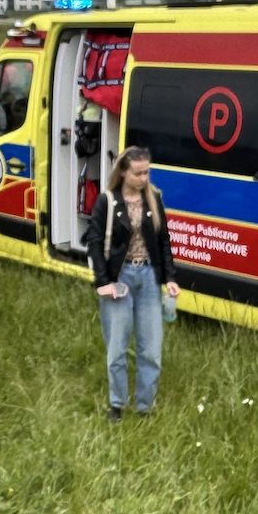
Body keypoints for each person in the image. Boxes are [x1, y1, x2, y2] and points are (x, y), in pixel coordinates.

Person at [83, 146, 179, 421]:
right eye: (138, 173)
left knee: (151, 350)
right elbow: (94, 241)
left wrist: (169, 278)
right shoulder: (107, 201)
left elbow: (163, 241)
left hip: (148, 277)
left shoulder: (154, 199)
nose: (144, 178)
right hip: (119, 278)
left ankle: (145, 407)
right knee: (117, 347)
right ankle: (117, 404)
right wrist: (102, 282)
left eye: (147, 172)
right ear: (124, 172)